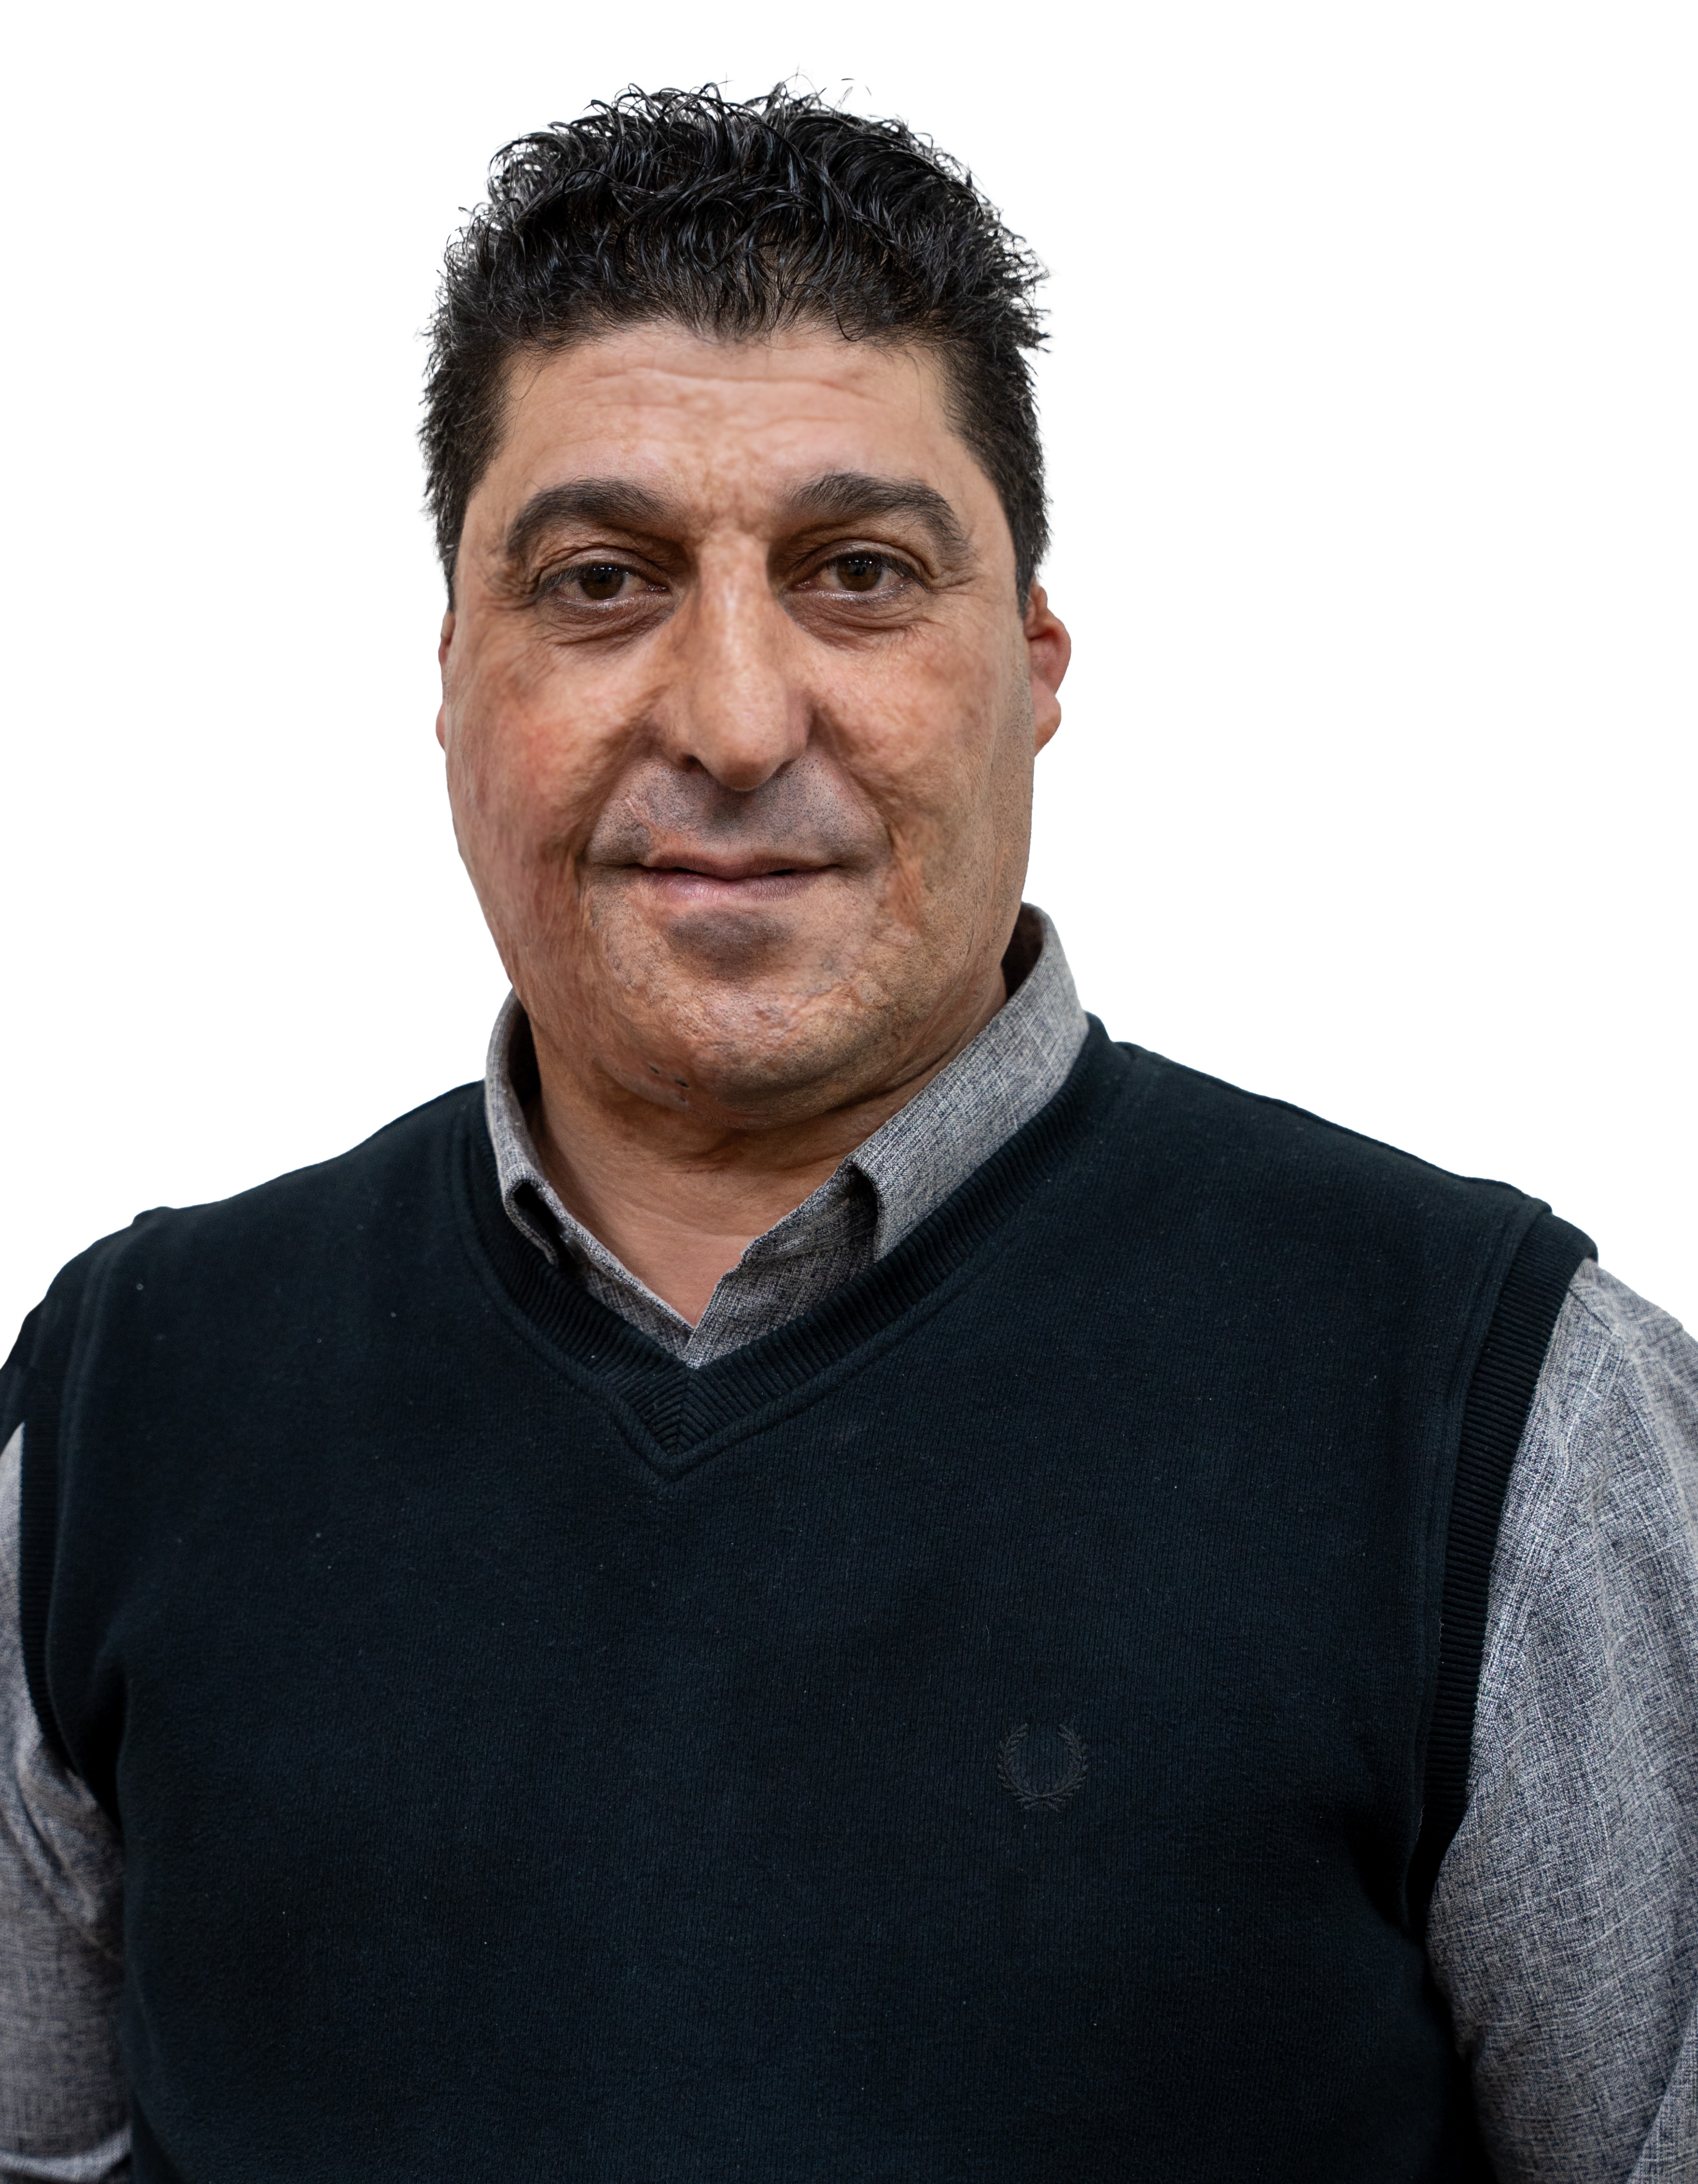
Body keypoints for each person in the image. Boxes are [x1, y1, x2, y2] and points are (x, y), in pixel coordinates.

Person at [1, 85, 1692, 2184]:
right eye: (602, 581)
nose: (731, 718)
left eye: (860, 574)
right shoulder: (124, 1405)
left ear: (1034, 665)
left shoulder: (1504, 1417)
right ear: (453, 674)